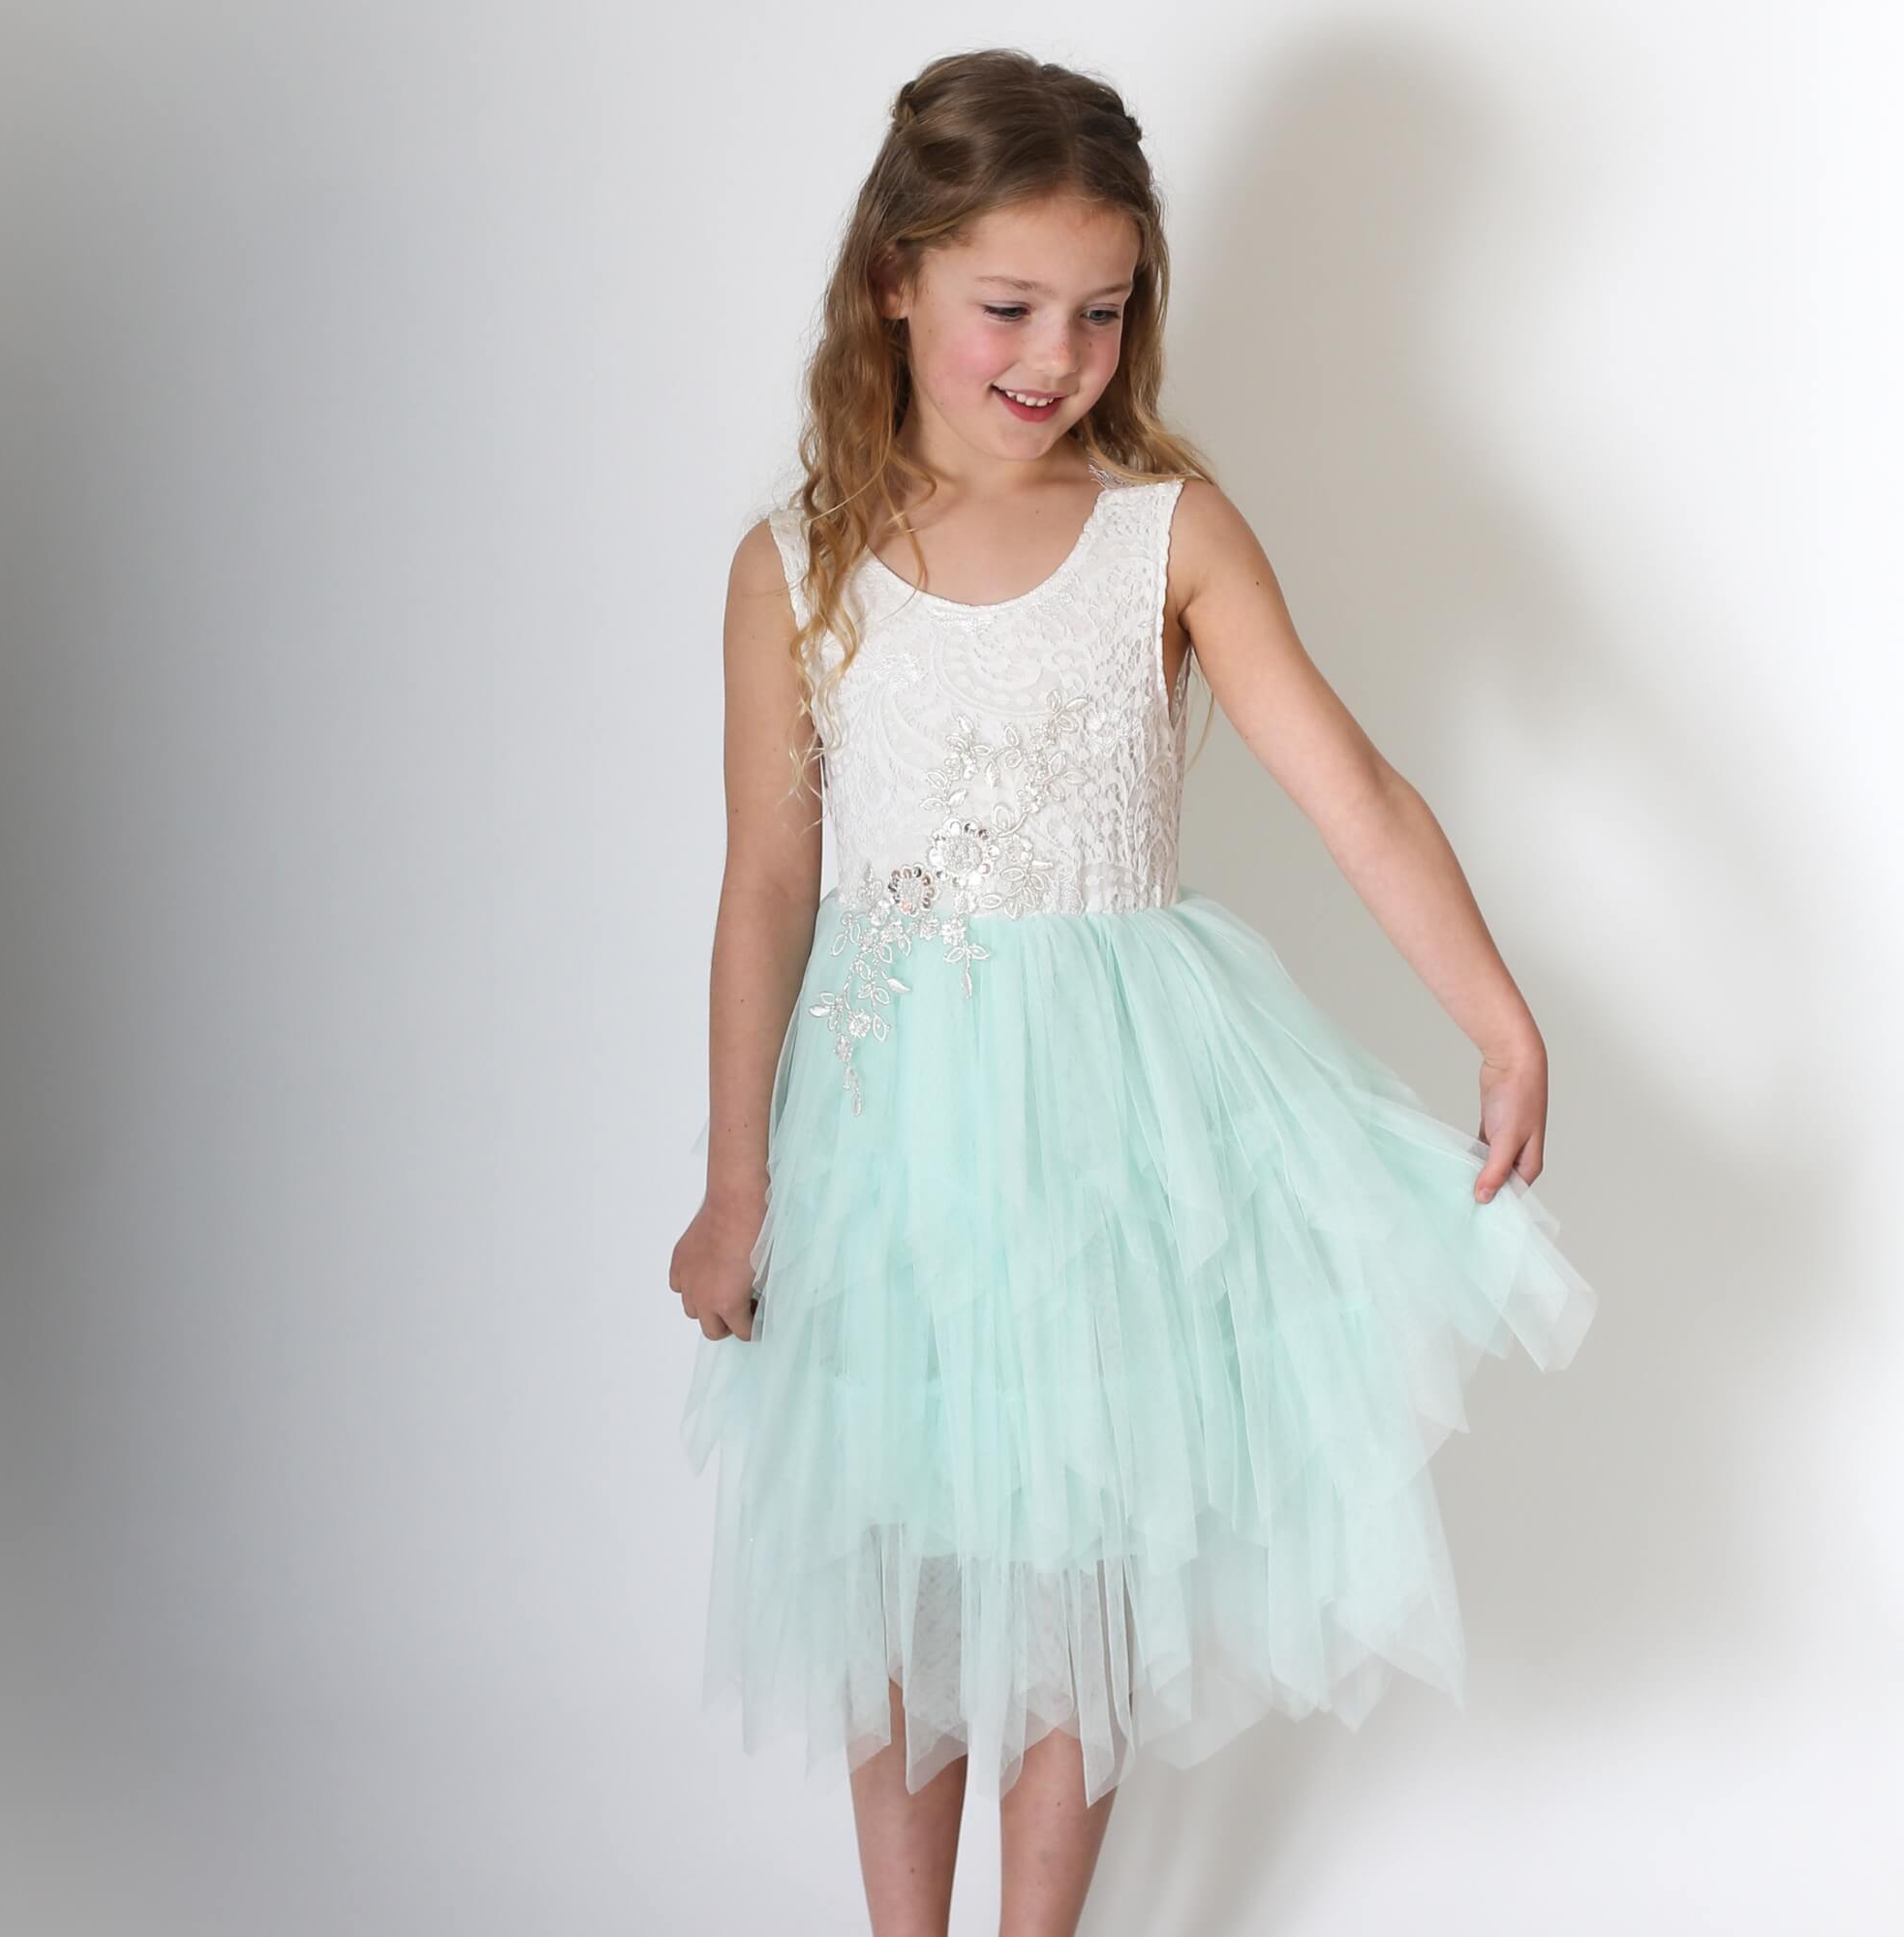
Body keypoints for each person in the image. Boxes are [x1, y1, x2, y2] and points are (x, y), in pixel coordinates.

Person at [668, 46, 1597, 1937]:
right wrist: (735, 1180)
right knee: (905, 1572)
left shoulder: (1163, 533)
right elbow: (766, 883)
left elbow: (1356, 791)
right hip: (889, 1139)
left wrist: (1498, 1016)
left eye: (1101, 312)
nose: (1058, 356)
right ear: (895, 280)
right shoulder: (799, 563)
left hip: (1112, 1136)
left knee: (1075, 1569)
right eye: (1011, 306)